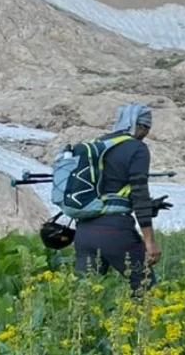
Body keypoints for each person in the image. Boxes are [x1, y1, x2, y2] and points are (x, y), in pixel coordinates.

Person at [72, 103, 161, 293]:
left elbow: (109, 187)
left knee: (85, 296)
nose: (145, 134)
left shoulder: (97, 145)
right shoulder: (137, 149)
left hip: (84, 231)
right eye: (146, 128)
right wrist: (149, 241)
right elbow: (139, 193)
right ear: (140, 126)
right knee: (146, 290)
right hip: (115, 232)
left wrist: (151, 206)